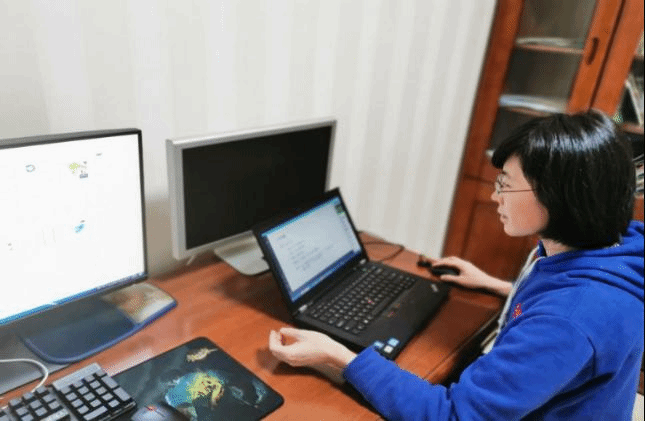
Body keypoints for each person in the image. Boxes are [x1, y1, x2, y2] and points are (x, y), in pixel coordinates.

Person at [268, 110, 644, 420]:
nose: (495, 196)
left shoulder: (568, 321)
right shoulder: (608, 242)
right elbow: (560, 299)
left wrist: (337, 355)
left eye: (506, 184)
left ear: (559, 198)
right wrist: (497, 285)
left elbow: (453, 415)